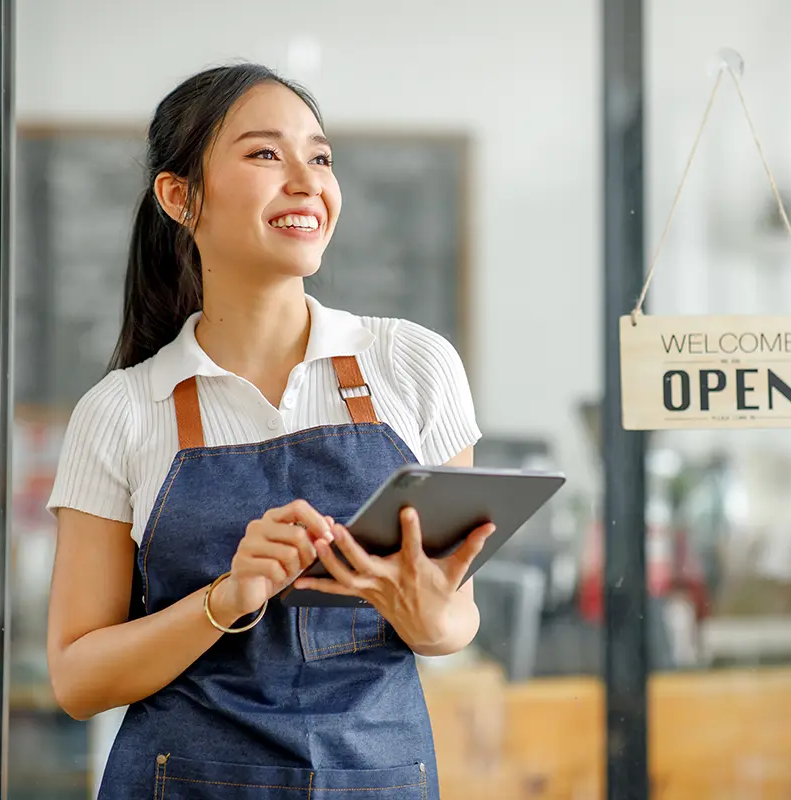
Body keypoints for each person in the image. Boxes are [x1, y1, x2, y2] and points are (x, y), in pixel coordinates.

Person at [45, 63, 491, 799]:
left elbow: (454, 624)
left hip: (378, 781)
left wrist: (423, 612)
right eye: (264, 154)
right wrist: (227, 597)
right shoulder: (122, 410)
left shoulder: (412, 365)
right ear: (179, 197)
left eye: (319, 157)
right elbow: (77, 680)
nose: (306, 181)